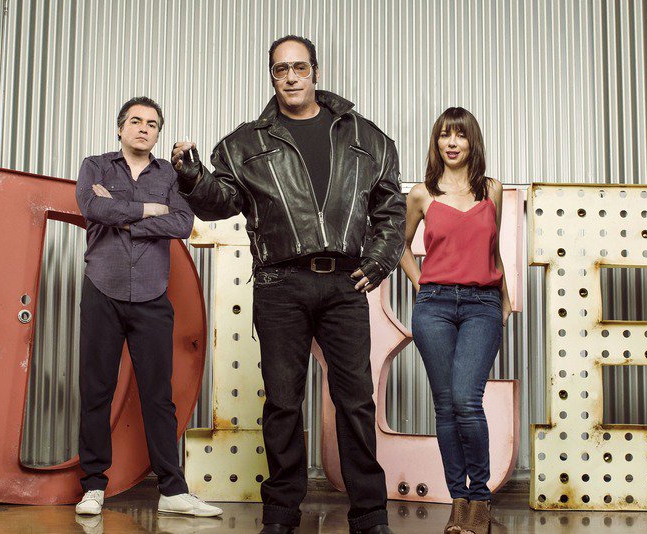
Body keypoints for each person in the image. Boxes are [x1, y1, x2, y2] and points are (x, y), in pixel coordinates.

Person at [172, 35, 405, 534]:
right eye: (281, 69)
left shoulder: (367, 137)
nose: (292, 77)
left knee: (356, 401)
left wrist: (381, 260)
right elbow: (220, 203)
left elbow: (390, 207)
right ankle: (280, 515)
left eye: (300, 67)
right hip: (280, 285)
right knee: (282, 402)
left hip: (345, 284)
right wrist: (192, 179)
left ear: (316, 72)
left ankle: (370, 515)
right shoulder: (244, 144)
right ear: (272, 77)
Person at [73, 96, 221, 518]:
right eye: (136, 121)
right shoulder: (95, 166)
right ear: (120, 128)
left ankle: (172, 490)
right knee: (97, 391)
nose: (143, 128)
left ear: (158, 134)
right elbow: (91, 207)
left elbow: (183, 223)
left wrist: (122, 218)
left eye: (152, 124)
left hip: (153, 294)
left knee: (158, 396)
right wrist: (147, 210)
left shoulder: (170, 175)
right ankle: (94, 486)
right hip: (102, 289)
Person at [399, 107, 512, 534]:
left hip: (483, 304)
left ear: (471, 142)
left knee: (466, 399)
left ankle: (479, 498)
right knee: (445, 405)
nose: (451, 142)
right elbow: (399, 245)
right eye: (444, 135)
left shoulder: (491, 190)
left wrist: (505, 297)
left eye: (459, 135)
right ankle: (458, 501)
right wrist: (421, 284)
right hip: (435, 306)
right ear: (436, 142)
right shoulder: (421, 194)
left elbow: (492, 250)